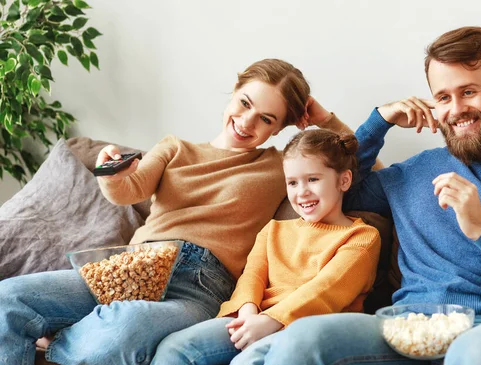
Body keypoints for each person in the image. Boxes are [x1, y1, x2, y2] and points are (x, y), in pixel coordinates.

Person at [253, 27, 481, 365]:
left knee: (477, 354)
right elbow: (341, 187)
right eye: (444, 97)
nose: (456, 109)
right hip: (407, 327)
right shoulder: (415, 171)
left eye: (469, 92)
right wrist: (380, 121)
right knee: (303, 339)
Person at [0, 59, 351, 365]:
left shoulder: (280, 167)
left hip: (199, 285)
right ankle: (78, 329)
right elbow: (128, 190)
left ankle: (56, 340)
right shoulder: (175, 148)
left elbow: (354, 164)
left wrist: (325, 120)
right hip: (127, 266)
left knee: (121, 331)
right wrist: (112, 171)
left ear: (279, 128)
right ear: (234, 90)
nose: (246, 121)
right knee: (7, 299)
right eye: (244, 103)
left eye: (265, 119)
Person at [151, 129, 381, 364]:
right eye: (292, 182)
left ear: (344, 180)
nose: (302, 192)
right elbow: (252, 276)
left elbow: (326, 289)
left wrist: (271, 320)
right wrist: (248, 312)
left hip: (304, 330)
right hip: (254, 318)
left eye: (313, 179)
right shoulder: (273, 230)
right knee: (176, 347)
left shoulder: (361, 237)